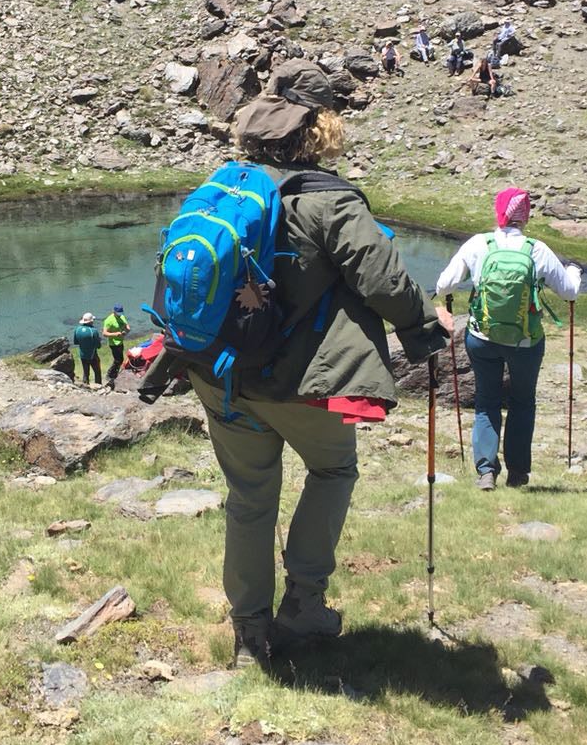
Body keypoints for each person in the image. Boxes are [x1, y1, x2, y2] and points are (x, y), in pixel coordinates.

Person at [143, 60, 446, 667]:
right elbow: (385, 280)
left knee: (249, 497)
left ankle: (250, 634)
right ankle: (304, 603)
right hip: (300, 382)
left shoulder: (227, 186)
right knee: (332, 473)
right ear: (321, 129)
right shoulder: (330, 201)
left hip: (221, 374)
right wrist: (422, 331)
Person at [434, 187, 582, 491]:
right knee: (522, 401)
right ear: (524, 216)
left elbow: (443, 284)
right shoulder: (536, 249)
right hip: (526, 342)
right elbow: (569, 291)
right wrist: (574, 271)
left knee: (486, 401)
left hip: (482, 337)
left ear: (498, 212)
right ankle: (517, 473)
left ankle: (486, 471)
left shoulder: (479, 244)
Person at [71, 312, 102, 387]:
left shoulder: (77, 329)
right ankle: (98, 386)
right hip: (92, 355)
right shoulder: (93, 331)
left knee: (85, 372)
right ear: (91, 321)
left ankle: (85, 385)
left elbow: (76, 342)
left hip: (82, 355)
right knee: (97, 372)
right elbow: (98, 345)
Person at [102, 305, 130, 384]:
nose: (120, 313)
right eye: (118, 312)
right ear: (114, 311)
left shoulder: (122, 317)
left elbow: (126, 326)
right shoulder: (109, 320)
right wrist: (115, 334)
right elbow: (104, 333)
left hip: (120, 342)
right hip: (113, 343)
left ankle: (114, 374)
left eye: (121, 312)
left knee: (120, 359)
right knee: (118, 360)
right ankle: (110, 374)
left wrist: (126, 331)